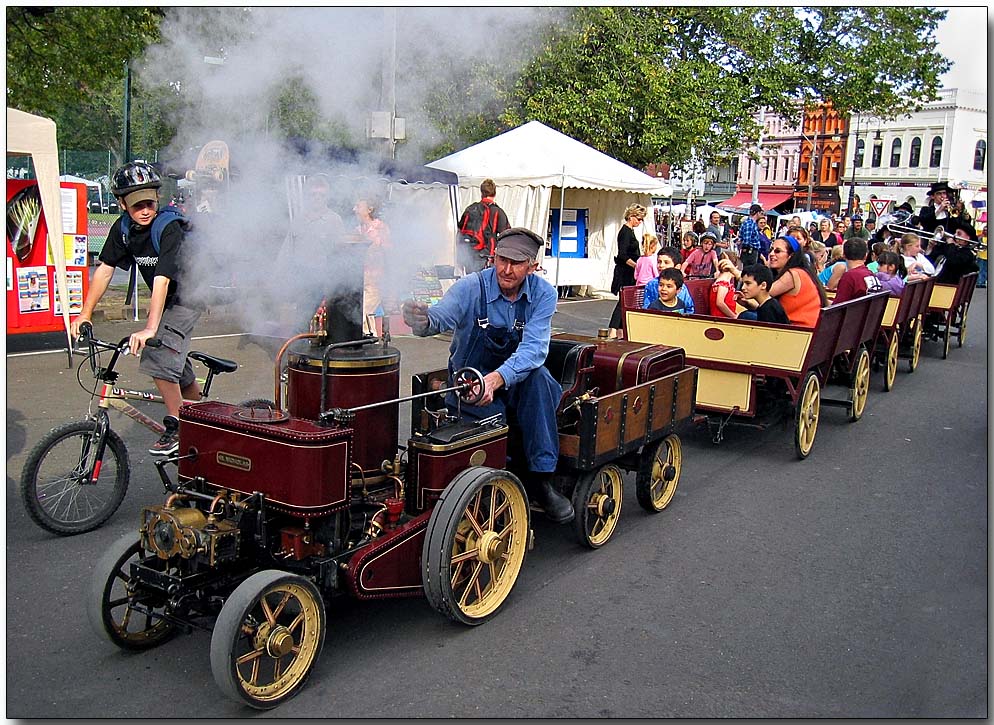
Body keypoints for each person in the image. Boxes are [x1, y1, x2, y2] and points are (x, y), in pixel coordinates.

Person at [401, 227, 573, 523]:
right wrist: (421, 318)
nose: (506, 269)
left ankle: (541, 481)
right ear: (493, 256)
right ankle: (489, 487)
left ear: (532, 266)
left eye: (516, 263)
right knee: (489, 422)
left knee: (541, 380)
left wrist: (496, 379)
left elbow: (533, 350)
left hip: (517, 381)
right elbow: (438, 318)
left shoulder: (544, 294)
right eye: (502, 259)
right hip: (471, 382)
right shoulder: (470, 288)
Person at [71, 161, 200, 456]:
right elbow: (104, 270)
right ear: (121, 204)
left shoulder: (169, 227)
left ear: (158, 197)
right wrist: (85, 313)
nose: (144, 210)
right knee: (175, 366)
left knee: (157, 354)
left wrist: (151, 328)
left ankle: (180, 427)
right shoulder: (124, 228)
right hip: (165, 300)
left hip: (187, 298)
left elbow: (162, 280)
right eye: (135, 205)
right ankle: (201, 415)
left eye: (149, 202)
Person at [731, 234, 825, 327]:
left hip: (799, 329)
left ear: (791, 256)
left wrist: (734, 271)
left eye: (777, 251)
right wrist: (748, 303)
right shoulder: (801, 271)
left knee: (746, 316)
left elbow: (763, 292)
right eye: (771, 250)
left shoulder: (793, 274)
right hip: (794, 325)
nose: (771, 254)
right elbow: (771, 309)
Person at [456, 178, 510, 274]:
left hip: (469, 256)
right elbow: (507, 237)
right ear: (494, 193)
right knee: (486, 286)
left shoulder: (470, 209)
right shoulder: (498, 212)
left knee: (472, 284)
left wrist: (460, 259)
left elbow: (460, 234)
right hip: (488, 258)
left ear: (481, 193)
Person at [354, 197, 391, 335]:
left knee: (363, 311)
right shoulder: (357, 230)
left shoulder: (380, 228)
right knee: (367, 315)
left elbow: (388, 252)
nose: (354, 209)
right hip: (361, 278)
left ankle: (367, 340)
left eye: (358, 206)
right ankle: (372, 340)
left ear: (369, 209)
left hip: (376, 279)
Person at [608, 203, 646, 337]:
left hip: (629, 271)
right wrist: (637, 266)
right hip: (625, 271)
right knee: (623, 301)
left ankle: (619, 331)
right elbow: (622, 255)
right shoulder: (625, 232)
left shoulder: (630, 231)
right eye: (639, 219)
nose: (640, 222)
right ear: (631, 216)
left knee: (625, 301)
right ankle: (612, 330)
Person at [830, 238, 883, 305]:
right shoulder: (871, 274)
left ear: (843, 255)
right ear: (865, 256)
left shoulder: (849, 277)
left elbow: (837, 308)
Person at [642, 247, 696, 314]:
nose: (661, 265)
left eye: (666, 262)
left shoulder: (682, 285)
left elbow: (689, 307)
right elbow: (647, 309)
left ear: (677, 267)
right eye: (659, 262)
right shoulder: (652, 284)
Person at [928, 218, 980, 285]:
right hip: (934, 280)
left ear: (967, 238)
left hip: (944, 286)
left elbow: (953, 261)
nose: (954, 235)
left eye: (959, 234)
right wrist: (930, 247)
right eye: (955, 232)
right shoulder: (949, 248)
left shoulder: (967, 254)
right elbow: (929, 262)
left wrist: (950, 244)